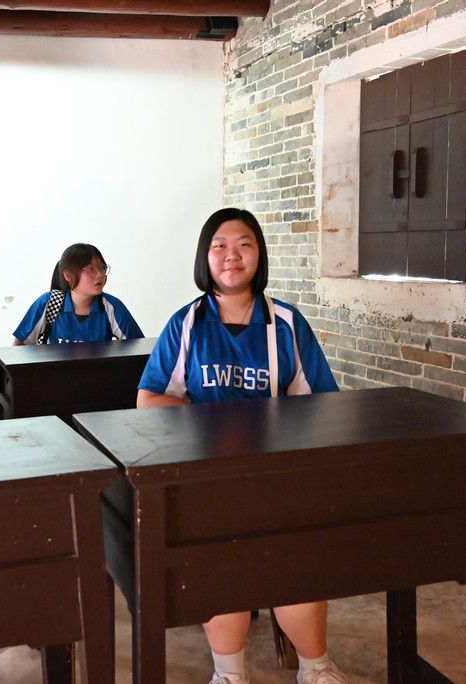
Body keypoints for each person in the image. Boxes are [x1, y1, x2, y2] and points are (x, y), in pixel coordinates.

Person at [136, 208, 346, 684]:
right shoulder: (187, 323)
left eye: (244, 244)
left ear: (259, 255)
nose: (231, 255)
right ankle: (229, 674)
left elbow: (321, 406)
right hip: (207, 477)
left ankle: (315, 667)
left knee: (295, 559)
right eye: (219, 246)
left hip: (275, 476)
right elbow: (149, 400)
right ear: (205, 257)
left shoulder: (286, 323)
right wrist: (215, 425)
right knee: (218, 564)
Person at [12, 242, 144, 345]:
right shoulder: (49, 303)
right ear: (68, 275)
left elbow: (139, 349)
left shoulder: (112, 307)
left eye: (102, 267)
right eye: (91, 269)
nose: (100, 274)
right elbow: (19, 348)